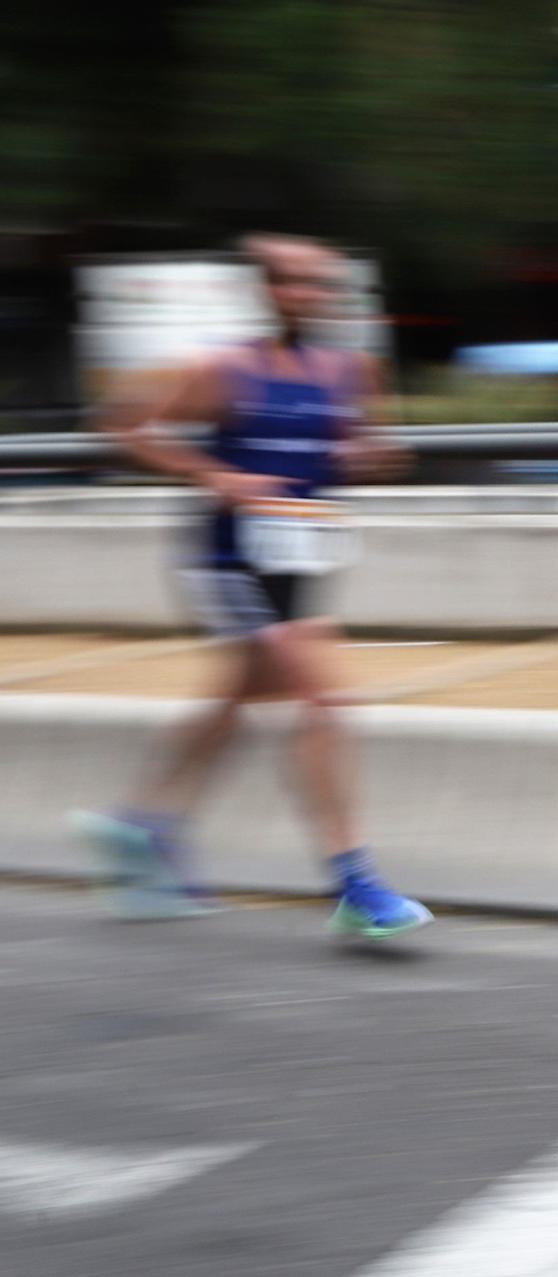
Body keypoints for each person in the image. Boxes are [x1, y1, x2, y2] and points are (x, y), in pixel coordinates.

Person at [72, 232, 432, 941]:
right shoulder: (224, 368)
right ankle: (353, 881)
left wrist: (374, 456)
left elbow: (357, 449)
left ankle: (141, 827)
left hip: (302, 555)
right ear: (267, 292)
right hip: (229, 558)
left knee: (238, 701)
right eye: (293, 283)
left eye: (321, 284)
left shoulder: (351, 370)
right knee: (325, 700)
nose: (309, 296)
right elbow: (126, 426)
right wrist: (220, 477)